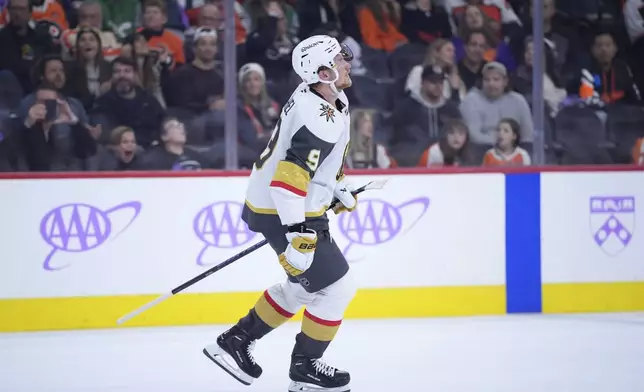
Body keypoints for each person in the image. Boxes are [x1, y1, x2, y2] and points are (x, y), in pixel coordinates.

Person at [202, 35, 356, 392]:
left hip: (288, 205)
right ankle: (305, 368)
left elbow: (311, 165)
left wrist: (336, 187)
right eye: (339, 58)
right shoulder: (317, 117)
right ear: (322, 72)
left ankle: (235, 342)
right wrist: (297, 233)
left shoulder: (327, 97)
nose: (347, 61)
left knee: (304, 289)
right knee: (337, 288)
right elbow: (289, 180)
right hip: (285, 209)